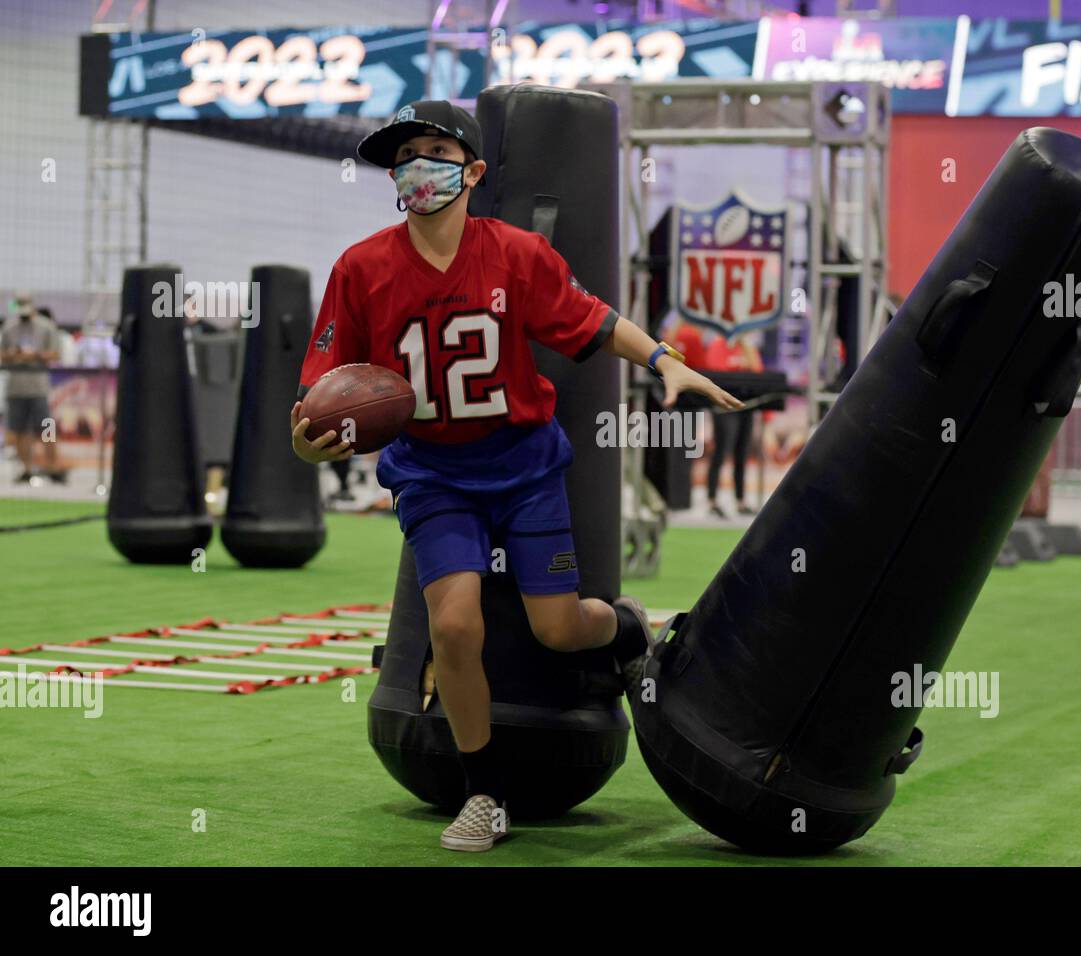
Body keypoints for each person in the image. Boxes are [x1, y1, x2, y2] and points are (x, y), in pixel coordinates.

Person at [288, 101, 741, 853]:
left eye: (434, 151)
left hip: (526, 467)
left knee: (558, 627)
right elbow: (319, 390)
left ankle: (626, 625)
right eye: (405, 156)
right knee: (456, 625)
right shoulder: (360, 267)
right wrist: (309, 447)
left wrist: (666, 362)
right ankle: (486, 794)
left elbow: (588, 317)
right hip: (434, 476)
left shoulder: (517, 253)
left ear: (472, 172)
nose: (416, 167)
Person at [0, 295, 68, 483]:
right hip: (16, 388)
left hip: (39, 388)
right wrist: (13, 355)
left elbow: (56, 354)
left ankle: (53, 466)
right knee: (19, 430)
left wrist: (35, 355)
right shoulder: (9, 327)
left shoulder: (46, 327)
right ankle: (27, 469)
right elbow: (2, 354)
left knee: (47, 428)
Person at [704, 330, 763, 518]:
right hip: (724, 406)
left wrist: (746, 346)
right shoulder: (718, 344)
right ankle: (712, 500)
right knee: (722, 450)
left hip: (746, 405)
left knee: (742, 453)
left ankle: (740, 500)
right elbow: (715, 371)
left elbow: (757, 371)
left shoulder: (747, 346)